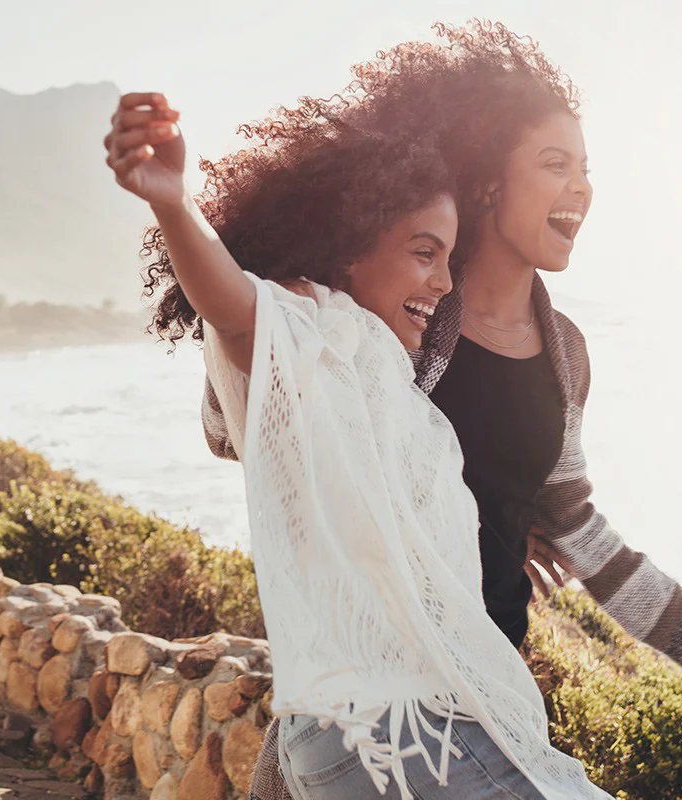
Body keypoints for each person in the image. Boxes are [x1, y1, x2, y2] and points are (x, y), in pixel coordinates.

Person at [184, 23, 682, 800]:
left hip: (486, 687)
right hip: (385, 704)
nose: (582, 189)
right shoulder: (404, 305)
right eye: (555, 164)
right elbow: (241, 429)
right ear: (491, 181)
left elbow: (576, 522)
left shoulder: (564, 352)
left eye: (587, 171)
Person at [105, 72, 610, 796]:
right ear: (348, 253)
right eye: (424, 252)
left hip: (401, 727)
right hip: (401, 731)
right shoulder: (319, 330)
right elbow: (235, 309)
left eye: (449, 258)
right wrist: (174, 201)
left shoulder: (385, 377)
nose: (443, 284)